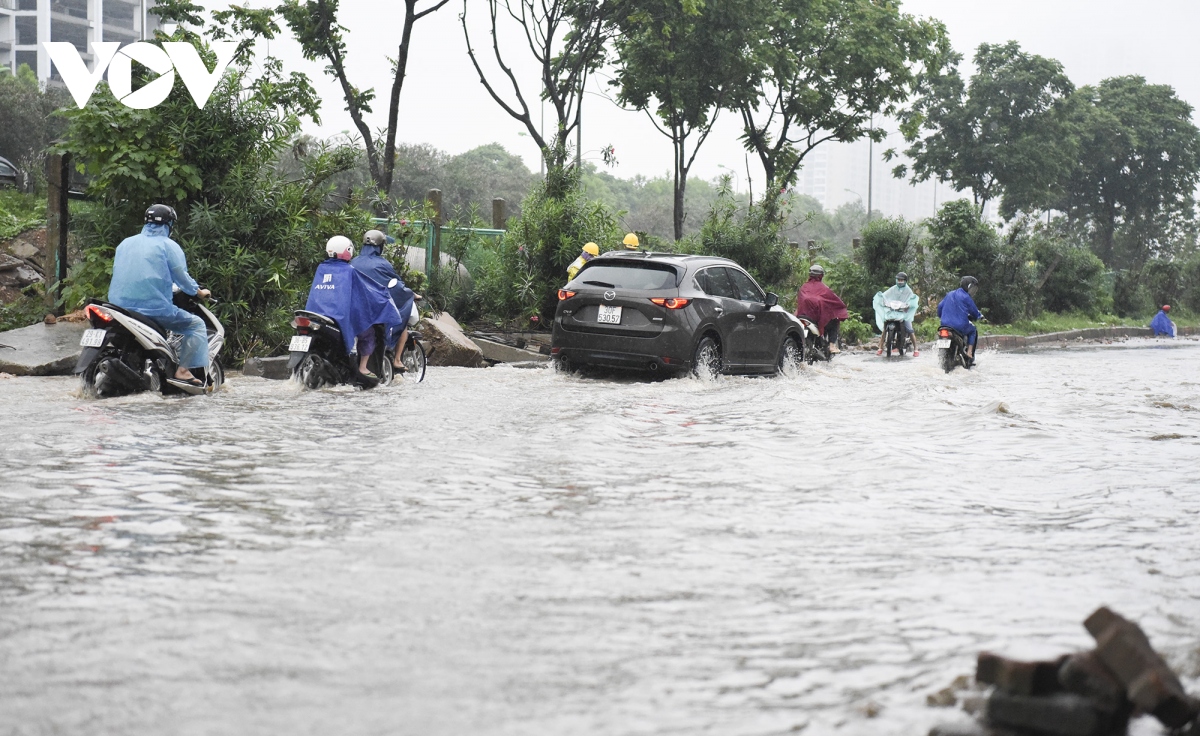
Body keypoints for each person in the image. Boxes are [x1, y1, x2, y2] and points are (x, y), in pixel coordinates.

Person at [107, 204, 211, 387]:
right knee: (196, 325)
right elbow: (181, 278)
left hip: (118, 308)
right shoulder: (168, 246)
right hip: (153, 309)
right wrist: (199, 292)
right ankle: (183, 371)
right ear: (169, 224)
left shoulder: (125, 243)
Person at [305, 236, 404, 380]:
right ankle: (363, 368)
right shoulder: (349, 270)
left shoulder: (321, 268)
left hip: (317, 315)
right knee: (368, 333)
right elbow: (366, 290)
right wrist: (382, 295)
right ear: (348, 250)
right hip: (339, 317)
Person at [352, 229, 420, 371]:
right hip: (376, 310)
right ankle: (396, 360)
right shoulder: (382, 264)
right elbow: (396, 285)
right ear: (380, 246)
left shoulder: (353, 262)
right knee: (400, 320)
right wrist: (411, 294)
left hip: (354, 310)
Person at [795, 264, 849, 353]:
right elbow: (835, 301)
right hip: (815, 320)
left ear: (810, 275)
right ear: (821, 276)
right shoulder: (824, 289)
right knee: (835, 321)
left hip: (802, 317)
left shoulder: (803, 287)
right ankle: (832, 345)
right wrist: (841, 309)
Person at [937, 276, 983, 365]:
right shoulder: (966, 297)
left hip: (944, 326)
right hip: (959, 327)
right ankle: (969, 353)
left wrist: (940, 315)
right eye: (972, 288)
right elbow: (974, 311)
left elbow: (940, 307)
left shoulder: (949, 294)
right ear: (968, 287)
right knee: (973, 330)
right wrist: (979, 316)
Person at [873, 272, 920, 357]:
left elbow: (911, 299)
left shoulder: (908, 290)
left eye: (902, 280)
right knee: (885, 328)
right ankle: (880, 347)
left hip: (903, 313)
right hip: (893, 311)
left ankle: (916, 349)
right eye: (898, 280)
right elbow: (885, 295)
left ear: (905, 281)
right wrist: (882, 299)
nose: (900, 281)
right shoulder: (893, 288)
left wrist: (908, 305)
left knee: (909, 329)